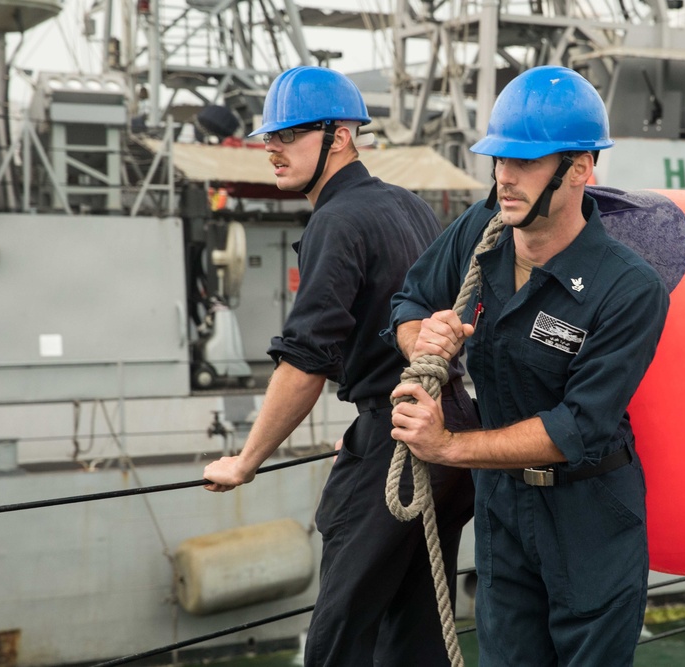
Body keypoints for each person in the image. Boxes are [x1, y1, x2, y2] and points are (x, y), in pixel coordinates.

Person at [387, 66, 669, 666]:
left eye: (525, 162)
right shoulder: (480, 232)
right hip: (503, 512)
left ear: (580, 169)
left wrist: (449, 448)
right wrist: (424, 341)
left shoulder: (629, 289)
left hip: (590, 517)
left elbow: (577, 428)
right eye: (498, 160)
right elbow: (408, 303)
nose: (504, 178)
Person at [201, 66, 477, 667]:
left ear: (341, 135)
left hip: (398, 440)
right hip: (445, 430)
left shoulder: (336, 219)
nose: (271, 147)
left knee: (338, 638)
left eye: (290, 133)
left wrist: (247, 461)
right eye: (270, 137)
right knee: (416, 630)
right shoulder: (407, 205)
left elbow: (305, 363)